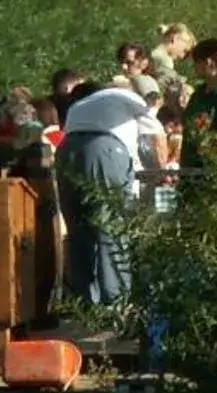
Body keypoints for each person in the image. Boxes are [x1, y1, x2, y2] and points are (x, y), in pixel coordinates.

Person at [57, 76, 163, 307]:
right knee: (111, 228)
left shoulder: (84, 104)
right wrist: (159, 173)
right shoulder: (130, 98)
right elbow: (155, 137)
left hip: (67, 149)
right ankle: (116, 303)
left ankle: (83, 303)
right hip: (103, 150)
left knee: (77, 229)